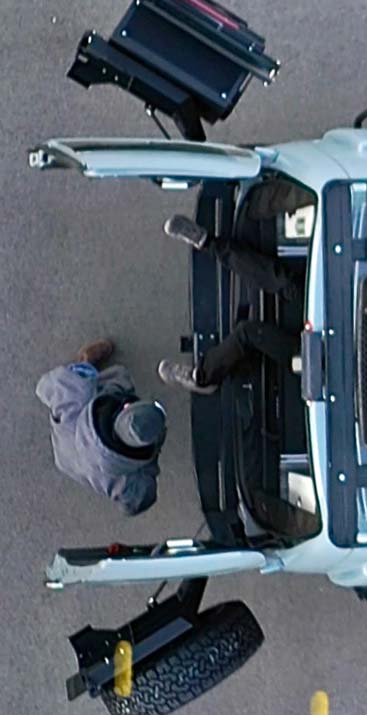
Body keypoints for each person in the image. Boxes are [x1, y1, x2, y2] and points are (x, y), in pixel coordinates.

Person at [156, 214, 300, 394]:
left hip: (312, 354)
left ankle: (202, 378)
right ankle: (205, 241)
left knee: (247, 332)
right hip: (331, 318)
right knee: (283, 281)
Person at [36, 339, 166, 516]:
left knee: (77, 380)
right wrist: (149, 465)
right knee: (99, 380)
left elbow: (45, 386)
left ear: (126, 408)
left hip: (67, 451)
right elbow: (135, 504)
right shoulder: (126, 482)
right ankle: (85, 362)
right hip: (72, 456)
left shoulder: (74, 400)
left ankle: (85, 366)